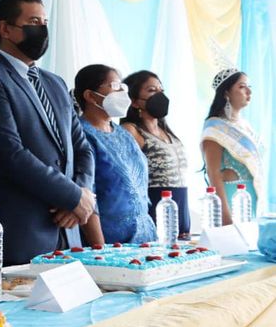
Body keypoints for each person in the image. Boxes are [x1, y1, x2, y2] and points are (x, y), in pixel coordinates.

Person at [0, 0, 95, 265]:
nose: (42, 29)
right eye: (33, 22)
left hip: (69, 232)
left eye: (45, 22)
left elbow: (82, 148)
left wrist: (80, 195)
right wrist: (70, 196)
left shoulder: (55, 83)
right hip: (21, 234)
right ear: (5, 29)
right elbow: (10, 154)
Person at [74, 65, 156, 245]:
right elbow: (88, 195)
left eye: (123, 87)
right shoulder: (82, 135)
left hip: (145, 238)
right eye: (115, 86)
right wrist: (100, 249)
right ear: (90, 96)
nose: (122, 93)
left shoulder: (124, 134)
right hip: (110, 243)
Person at [121, 70, 191, 239]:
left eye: (161, 90)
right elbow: (128, 179)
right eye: (152, 90)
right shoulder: (131, 130)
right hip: (156, 212)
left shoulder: (167, 132)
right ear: (134, 101)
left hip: (180, 210)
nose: (159, 95)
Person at [201, 69, 266, 222]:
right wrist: (225, 217)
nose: (249, 91)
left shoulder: (246, 126)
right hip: (231, 199)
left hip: (251, 197)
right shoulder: (215, 127)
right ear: (226, 93)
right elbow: (213, 173)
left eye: (249, 86)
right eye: (242, 87)